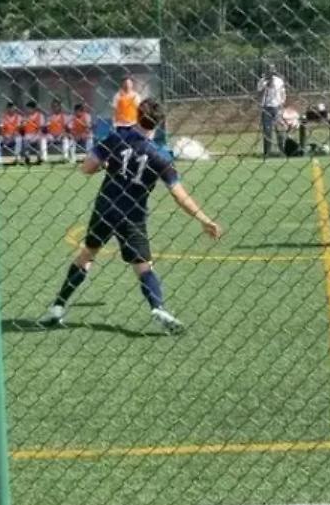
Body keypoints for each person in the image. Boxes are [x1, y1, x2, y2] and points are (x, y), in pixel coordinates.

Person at [39, 99, 223, 332]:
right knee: (143, 266)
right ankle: (157, 307)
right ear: (160, 122)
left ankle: (58, 306)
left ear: (136, 115)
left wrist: (107, 165)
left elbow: (87, 167)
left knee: (87, 254)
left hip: (105, 208)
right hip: (132, 215)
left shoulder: (117, 137)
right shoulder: (161, 156)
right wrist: (204, 219)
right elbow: (179, 195)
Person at [258, 65, 287, 157]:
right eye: (269, 71)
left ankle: (282, 150)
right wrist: (266, 86)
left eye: (272, 71)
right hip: (266, 107)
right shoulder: (262, 81)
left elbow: (283, 93)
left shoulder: (279, 81)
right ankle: (267, 152)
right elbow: (259, 93)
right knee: (267, 130)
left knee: (279, 129)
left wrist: (281, 104)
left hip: (276, 106)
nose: (271, 73)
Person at [21, 101, 46, 165]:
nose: (27, 110)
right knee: (25, 139)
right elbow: (22, 127)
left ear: (33, 108)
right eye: (27, 109)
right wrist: (22, 124)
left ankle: (40, 157)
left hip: (37, 134)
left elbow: (41, 128)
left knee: (41, 139)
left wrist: (36, 135)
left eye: (29, 108)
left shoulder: (40, 115)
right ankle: (27, 157)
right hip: (28, 134)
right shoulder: (25, 116)